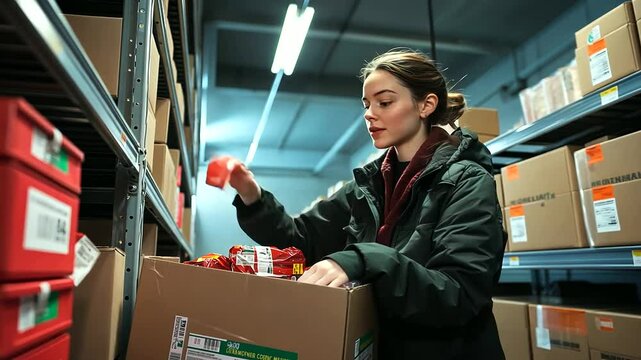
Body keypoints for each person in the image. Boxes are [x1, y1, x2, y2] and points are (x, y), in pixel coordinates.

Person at [228, 48, 506, 359]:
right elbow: (301, 238)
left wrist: (363, 259)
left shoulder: (467, 181)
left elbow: (457, 294)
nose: (369, 114)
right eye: (367, 104)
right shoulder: (368, 187)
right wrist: (253, 197)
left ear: (426, 105)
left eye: (384, 102)